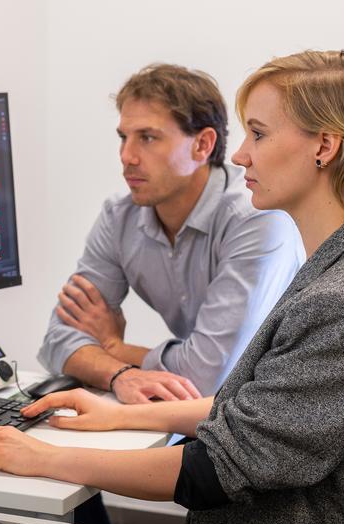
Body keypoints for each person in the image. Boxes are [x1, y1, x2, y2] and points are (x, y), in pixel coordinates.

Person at [0, 50, 344, 524]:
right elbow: (263, 408)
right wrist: (116, 415)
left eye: (259, 134)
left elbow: (216, 469)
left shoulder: (340, 299)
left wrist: (47, 457)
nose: (242, 153)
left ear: (324, 148)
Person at [37, 63, 303, 403]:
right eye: (123, 137)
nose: (126, 156)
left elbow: (205, 375)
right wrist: (119, 373)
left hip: (272, 416)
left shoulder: (256, 218)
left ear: (203, 145)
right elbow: (57, 340)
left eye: (147, 138)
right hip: (207, 417)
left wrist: (115, 347)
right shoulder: (119, 217)